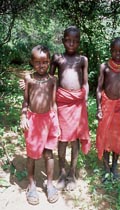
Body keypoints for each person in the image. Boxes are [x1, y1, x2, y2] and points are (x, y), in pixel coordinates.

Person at [49, 26, 91, 191]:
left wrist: (85, 98)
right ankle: (62, 172)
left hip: (78, 104)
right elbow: (51, 79)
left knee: (75, 140)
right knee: (62, 138)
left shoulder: (83, 60)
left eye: (75, 41)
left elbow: (85, 82)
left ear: (79, 42)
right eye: (68, 40)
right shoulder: (57, 58)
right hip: (62, 103)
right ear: (63, 40)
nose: (71, 43)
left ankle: (72, 173)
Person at [20, 45, 60, 205]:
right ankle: (31, 185)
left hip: (49, 119)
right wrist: (23, 116)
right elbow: (26, 100)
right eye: (37, 62)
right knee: (32, 154)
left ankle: (49, 184)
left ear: (49, 62)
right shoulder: (29, 79)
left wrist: (56, 122)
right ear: (32, 62)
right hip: (33, 121)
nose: (41, 66)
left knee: (49, 153)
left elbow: (54, 102)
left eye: (45, 62)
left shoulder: (52, 80)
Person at [96, 37, 120, 182]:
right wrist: (98, 108)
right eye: (115, 51)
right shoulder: (104, 67)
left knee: (117, 138)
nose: (118, 53)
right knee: (105, 137)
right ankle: (106, 169)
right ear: (110, 51)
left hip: (119, 107)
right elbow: (99, 89)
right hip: (106, 106)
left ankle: (114, 167)